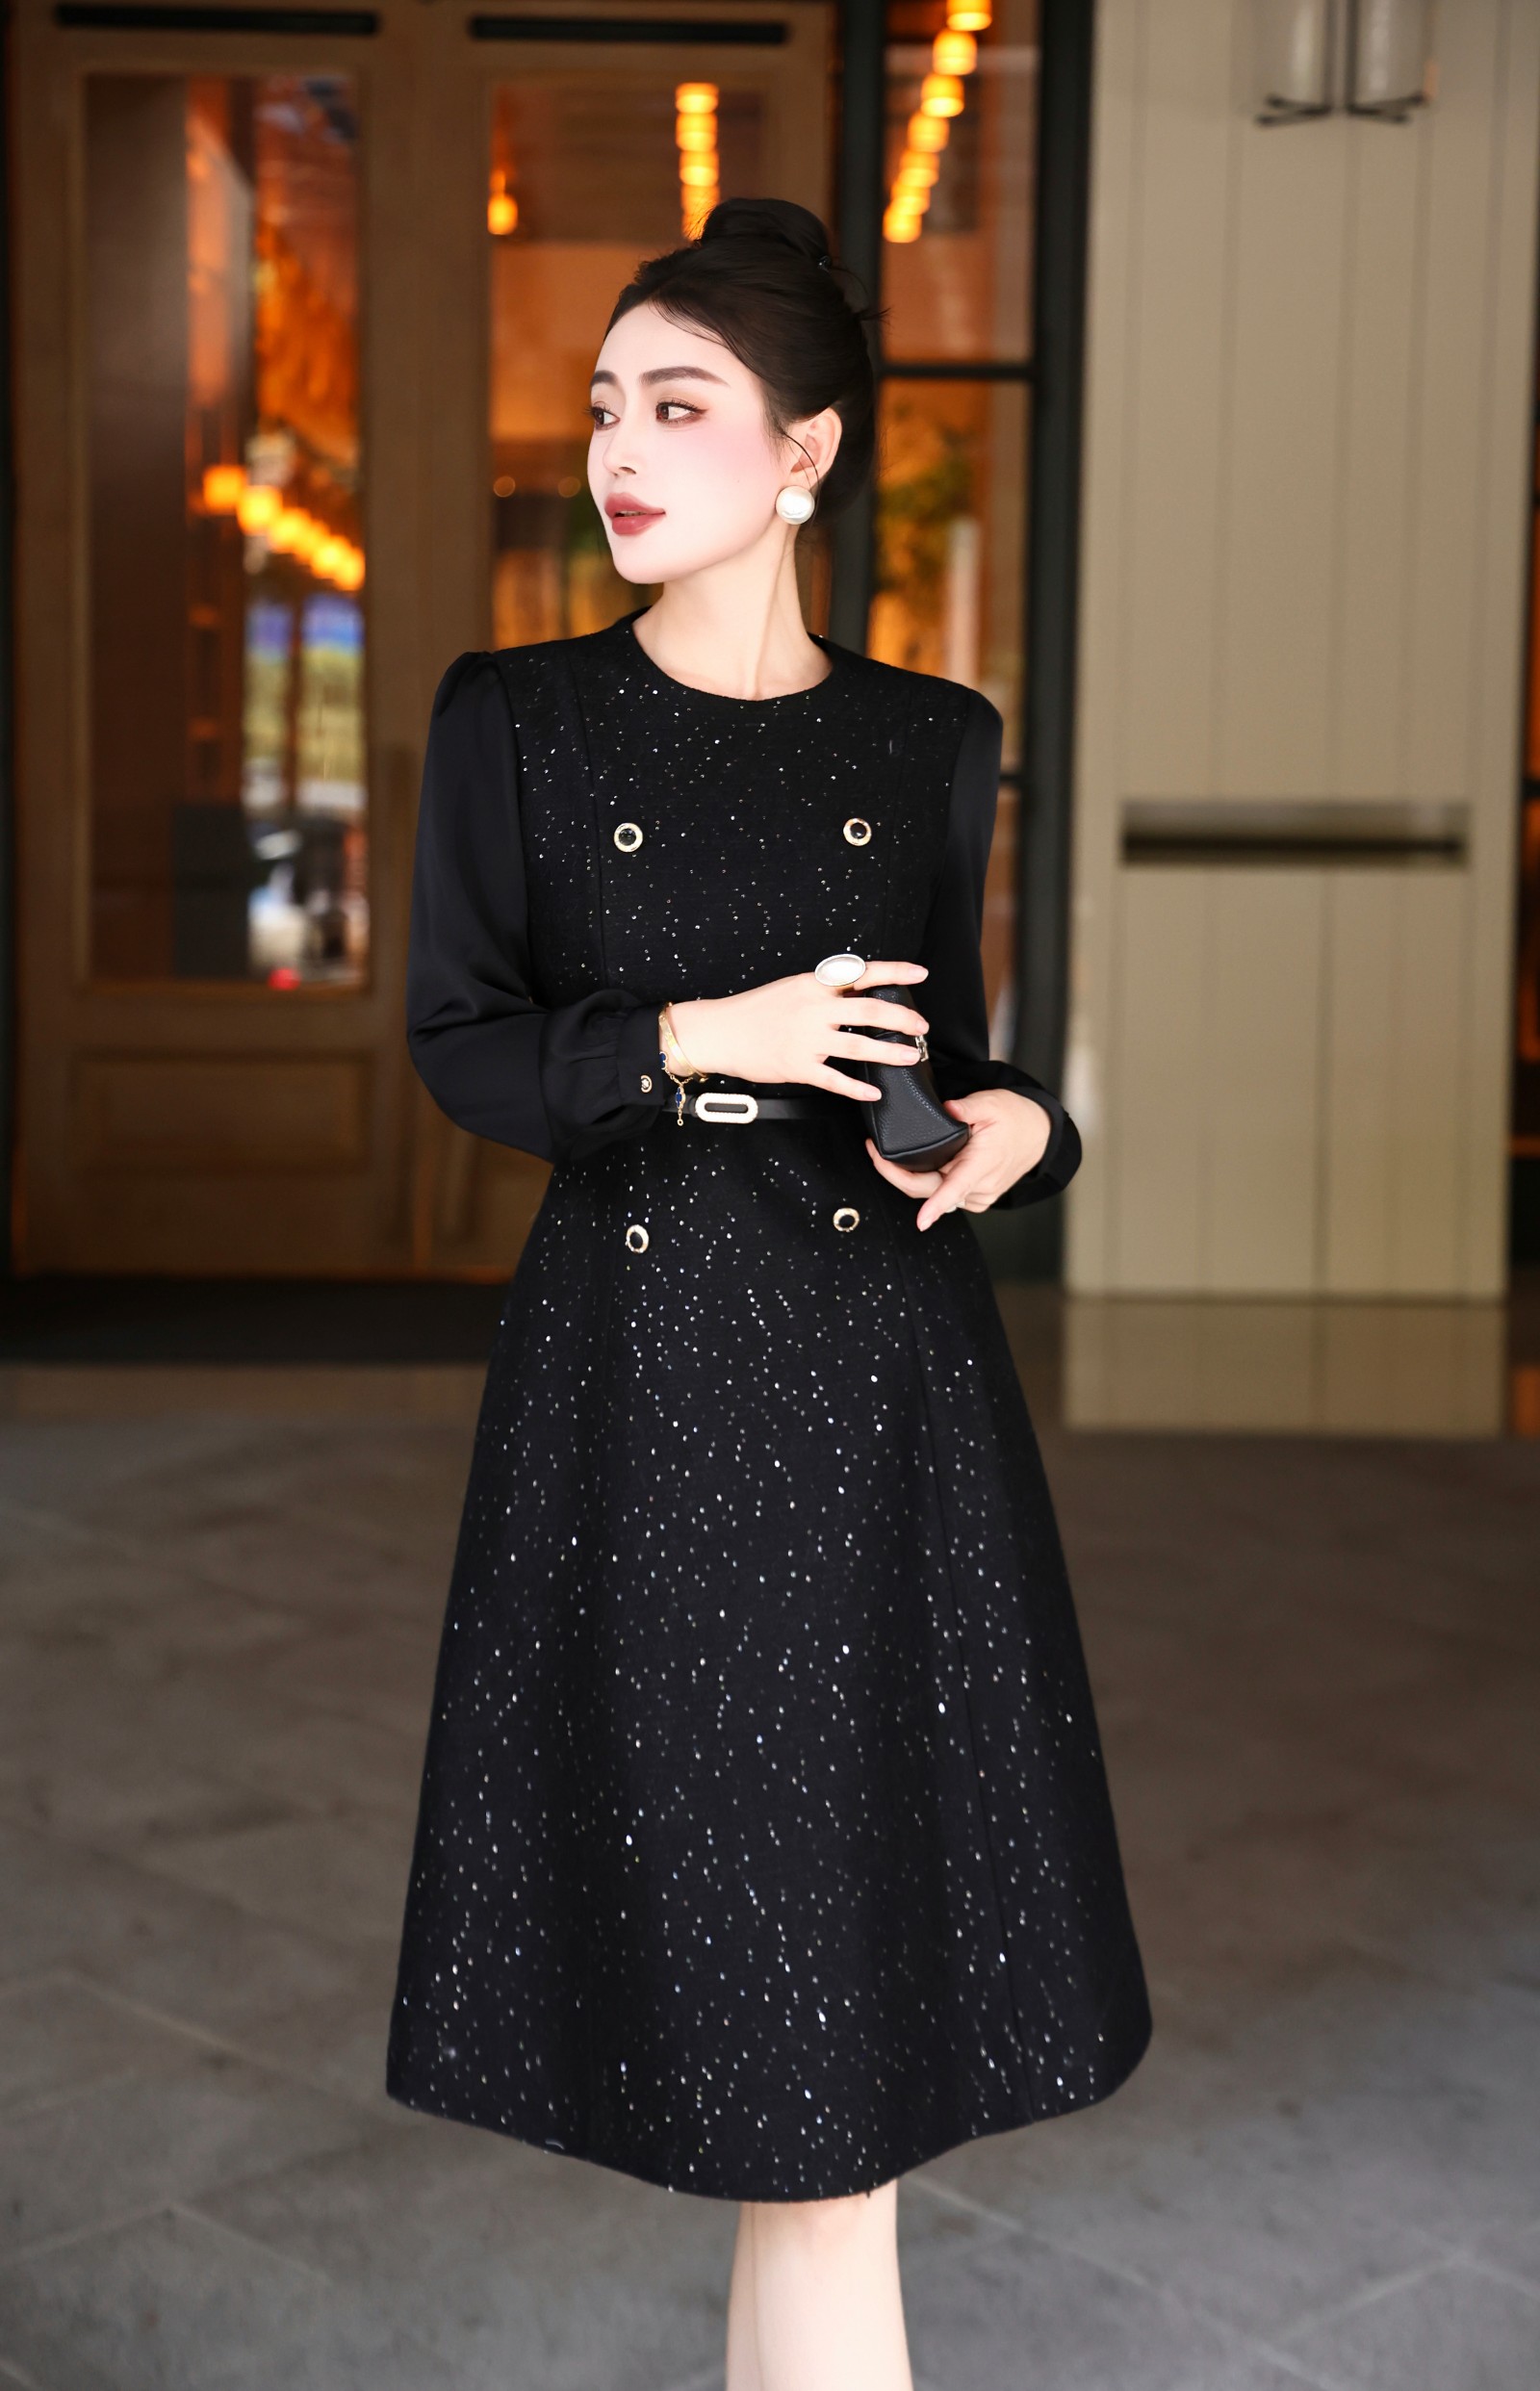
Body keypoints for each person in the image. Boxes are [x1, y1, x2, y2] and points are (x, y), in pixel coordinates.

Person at [385, 196, 1151, 2389]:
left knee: (831, 2079)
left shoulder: (931, 739)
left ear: (806, 453)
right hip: (636, 1383)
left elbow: (945, 1060)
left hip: (880, 1395)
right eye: (605, 407)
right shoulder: (516, 716)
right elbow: (461, 1045)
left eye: (678, 406)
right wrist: (691, 1040)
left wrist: (1018, 1133)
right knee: (791, 2078)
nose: (618, 451)